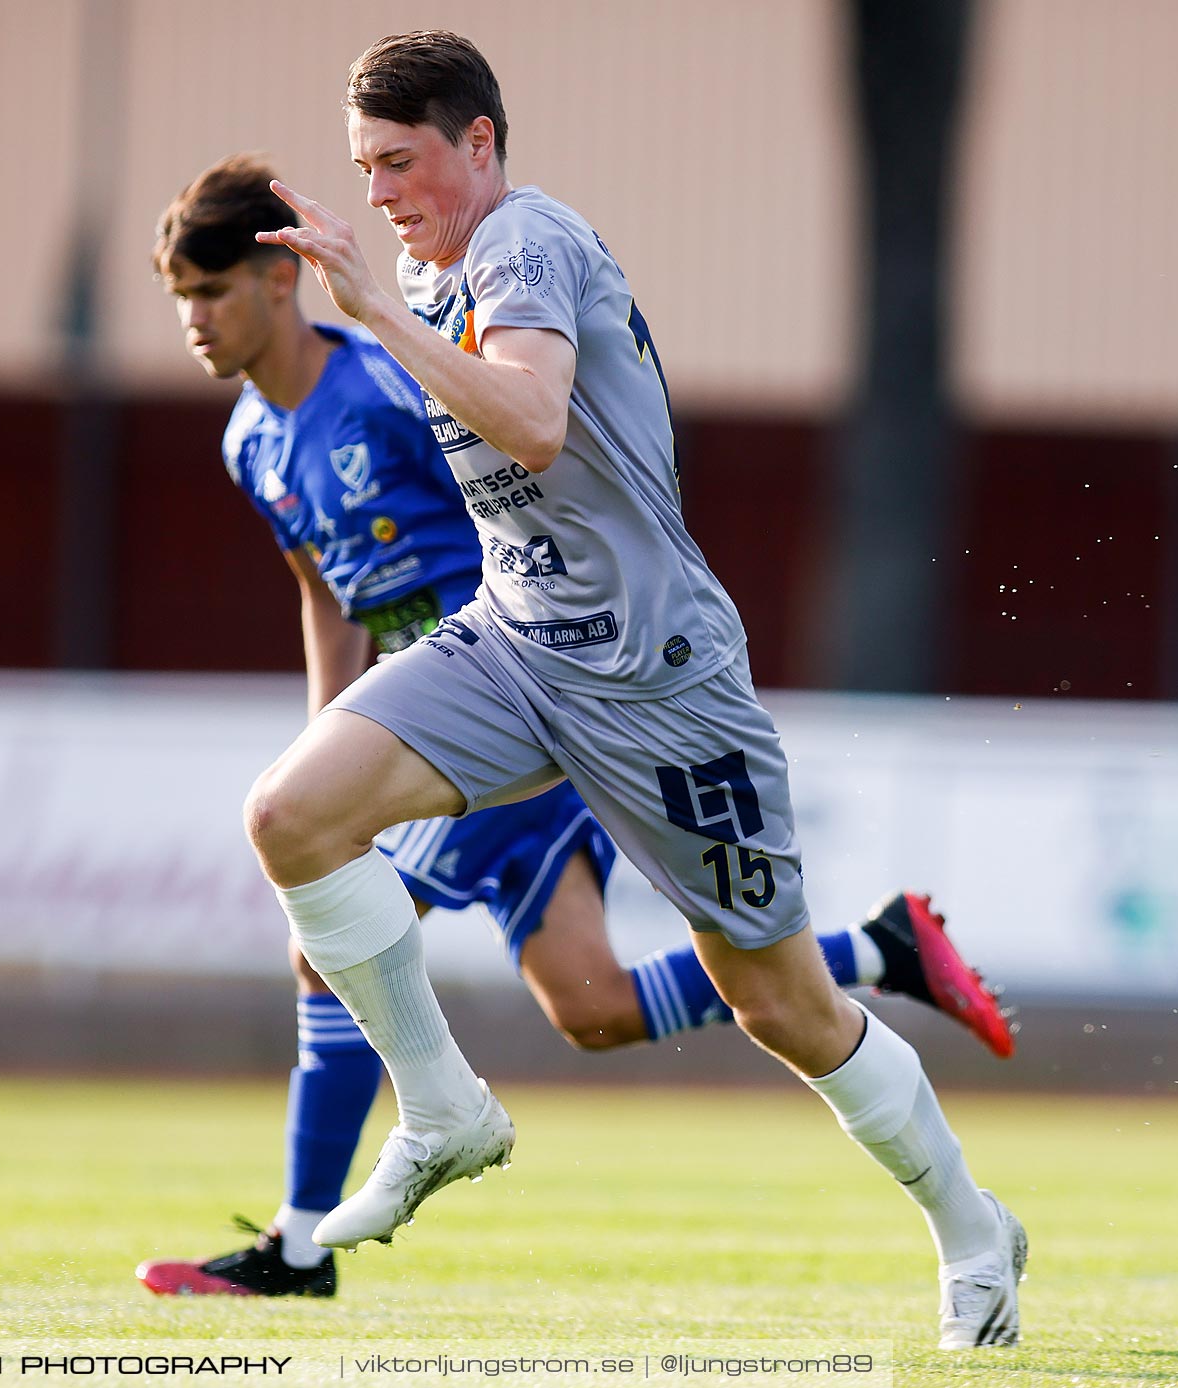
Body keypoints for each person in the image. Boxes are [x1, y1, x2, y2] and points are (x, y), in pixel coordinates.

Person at [135, 153, 1017, 1323]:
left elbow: (527, 454)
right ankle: (867, 953)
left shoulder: (400, 368)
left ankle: (307, 1234)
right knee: (581, 999)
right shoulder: (255, 439)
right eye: (177, 297)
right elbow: (322, 591)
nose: (191, 318)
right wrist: (335, 735)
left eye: (207, 289)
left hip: (584, 682)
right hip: (470, 700)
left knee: (761, 1003)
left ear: (275, 277)